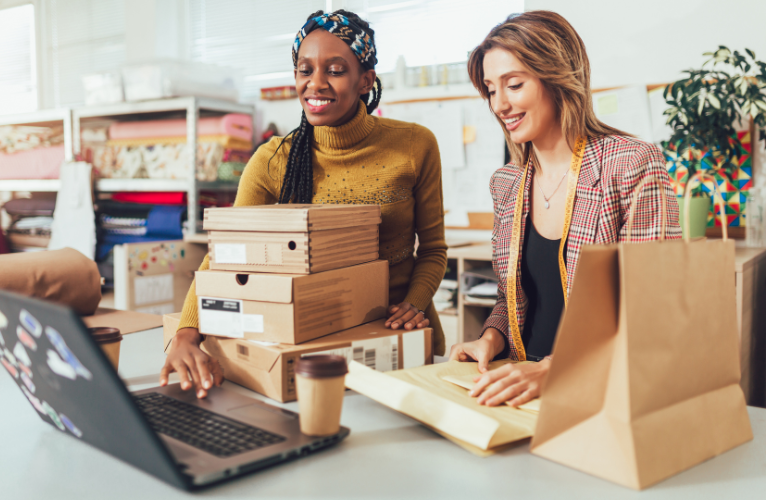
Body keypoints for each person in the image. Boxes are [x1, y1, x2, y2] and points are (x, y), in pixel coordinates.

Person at [161, 10, 448, 397]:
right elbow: (225, 257)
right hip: (314, 341)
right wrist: (186, 331)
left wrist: (415, 302)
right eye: (304, 69)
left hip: (398, 341)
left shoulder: (414, 145)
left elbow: (432, 250)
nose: (316, 84)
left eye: (335, 69)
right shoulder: (272, 160)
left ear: (366, 80)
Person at [449, 11, 681, 407]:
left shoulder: (631, 164)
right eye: (490, 89)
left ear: (556, 77)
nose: (500, 104)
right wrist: (491, 338)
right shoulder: (506, 183)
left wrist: (555, 368)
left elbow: (650, 307)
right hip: (521, 389)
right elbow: (513, 299)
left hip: (605, 391)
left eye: (514, 84)